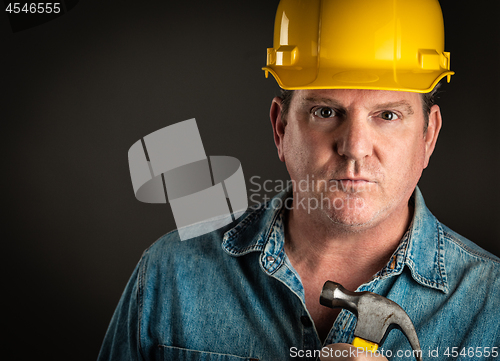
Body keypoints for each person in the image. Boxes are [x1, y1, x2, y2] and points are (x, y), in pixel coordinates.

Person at [97, 0, 500, 360]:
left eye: (388, 115)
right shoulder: (171, 275)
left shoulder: (491, 305)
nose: (355, 147)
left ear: (428, 137)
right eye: (326, 112)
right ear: (281, 128)